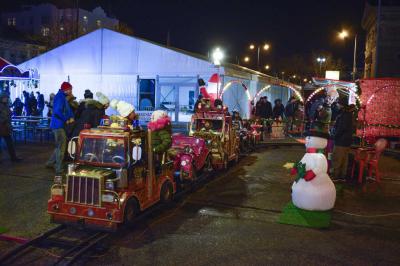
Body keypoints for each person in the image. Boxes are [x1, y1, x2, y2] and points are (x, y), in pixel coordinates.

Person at [46, 82, 75, 175]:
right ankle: (59, 168)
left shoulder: (61, 97)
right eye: (70, 89)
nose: (71, 91)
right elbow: (57, 111)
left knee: (59, 146)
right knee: (61, 147)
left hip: (57, 125)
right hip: (58, 126)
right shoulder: (60, 97)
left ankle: (50, 163)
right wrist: (66, 119)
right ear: (66, 89)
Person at [331, 98, 354, 181]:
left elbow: (341, 128)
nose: (337, 105)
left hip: (341, 141)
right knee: (344, 159)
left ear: (341, 105)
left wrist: (335, 136)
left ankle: (335, 176)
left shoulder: (344, 115)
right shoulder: (348, 114)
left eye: (338, 104)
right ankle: (342, 176)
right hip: (346, 141)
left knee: (337, 158)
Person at [0, 91, 22, 163]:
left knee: (10, 143)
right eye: (5, 97)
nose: (6, 99)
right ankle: (13, 157)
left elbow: (8, 115)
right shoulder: (2, 106)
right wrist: (4, 120)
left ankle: (14, 157)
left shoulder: (6, 105)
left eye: (6, 97)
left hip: (6, 127)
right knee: (9, 143)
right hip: (2, 126)